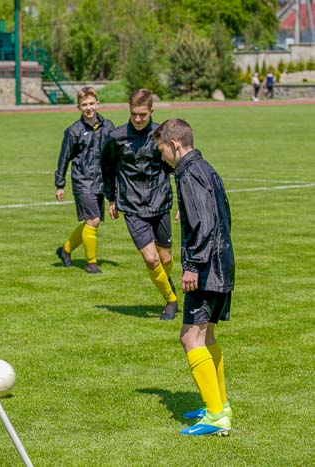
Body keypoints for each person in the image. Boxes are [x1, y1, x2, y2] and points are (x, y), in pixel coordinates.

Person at [153, 118, 234, 436]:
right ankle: (219, 404)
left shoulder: (187, 173)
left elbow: (203, 223)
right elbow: (221, 212)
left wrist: (193, 265)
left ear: (174, 144)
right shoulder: (205, 167)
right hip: (222, 261)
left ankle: (216, 417)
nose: (161, 156)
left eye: (161, 149)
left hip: (206, 266)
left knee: (190, 338)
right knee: (207, 336)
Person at [101, 89, 178, 320]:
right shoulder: (116, 137)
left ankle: (166, 283)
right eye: (134, 114)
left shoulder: (162, 136)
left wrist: (183, 204)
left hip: (160, 202)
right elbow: (107, 167)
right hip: (132, 205)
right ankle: (171, 300)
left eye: (142, 115)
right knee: (151, 258)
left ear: (152, 111)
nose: (137, 119)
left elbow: (175, 168)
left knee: (165, 259)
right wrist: (111, 198)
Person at [54, 86, 115, 273]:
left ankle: (65, 250)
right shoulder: (73, 131)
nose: (88, 107)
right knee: (93, 219)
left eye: (91, 103)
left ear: (98, 103)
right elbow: (64, 157)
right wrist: (60, 184)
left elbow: (113, 156)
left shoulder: (109, 126)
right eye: (84, 105)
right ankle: (91, 263)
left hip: (101, 181)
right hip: (82, 180)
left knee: (91, 222)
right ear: (79, 107)